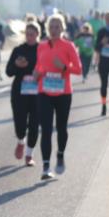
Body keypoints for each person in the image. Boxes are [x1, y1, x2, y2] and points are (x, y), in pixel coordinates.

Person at [34, 14, 82, 179]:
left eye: (57, 27)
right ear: (47, 28)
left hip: (63, 93)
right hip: (44, 92)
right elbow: (39, 66)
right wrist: (36, 74)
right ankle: (46, 166)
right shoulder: (41, 46)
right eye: (51, 27)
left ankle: (60, 154)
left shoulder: (68, 46)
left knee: (61, 128)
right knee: (46, 129)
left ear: (62, 29)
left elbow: (78, 69)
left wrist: (63, 67)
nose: (54, 30)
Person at [5, 21, 41, 166]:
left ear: (38, 34)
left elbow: (48, 69)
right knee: (20, 123)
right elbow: (8, 71)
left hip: (38, 94)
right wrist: (16, 65)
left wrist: (38, 72)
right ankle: (21, 140)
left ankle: (29, 154)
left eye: (32, 34)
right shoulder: (18, 50)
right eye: (27, 34)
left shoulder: (43, 50)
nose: (29, 37)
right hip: (19, 93)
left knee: (34, 124)